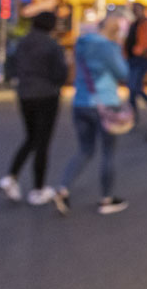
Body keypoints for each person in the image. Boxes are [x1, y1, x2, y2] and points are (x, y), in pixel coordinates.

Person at [53, 14, 129, 215]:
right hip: (105, 104)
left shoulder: (82, 44)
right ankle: (106, 199)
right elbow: (122, 72)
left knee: (85, 150)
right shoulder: (109, 48)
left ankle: (63, 187)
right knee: (108, 152)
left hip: (81, 102)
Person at [0, 12, 68, 205]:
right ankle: (38, 189)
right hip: (47, 95)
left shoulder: (22, 42)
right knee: (42, 142)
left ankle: (11, 177)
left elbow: (10, 65)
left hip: (25, 94)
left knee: (30, 138)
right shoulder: (52, 45)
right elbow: (60, 72)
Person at [124, 2, 147, 122]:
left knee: (134, 88)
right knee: (134, 88)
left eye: (137, 9)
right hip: (132, 60)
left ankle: (134, 116)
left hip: (141, 60)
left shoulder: (146, 24)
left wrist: (138, 51)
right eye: (134, 10)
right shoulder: (134, 24)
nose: (135, 12)